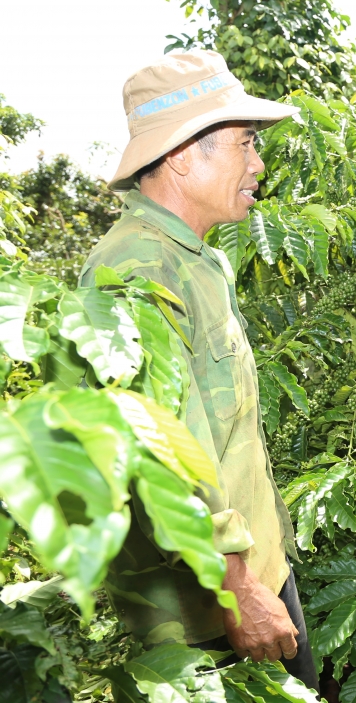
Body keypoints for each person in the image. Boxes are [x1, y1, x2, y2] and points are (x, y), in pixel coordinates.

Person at [79, 50, 319, 691]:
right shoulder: (133, 273)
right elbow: (159, 456)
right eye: (245, 144)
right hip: (204, 610)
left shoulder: (199, 262)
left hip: (254, 568)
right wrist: (237, 587)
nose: (258, 164)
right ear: (185, 153)